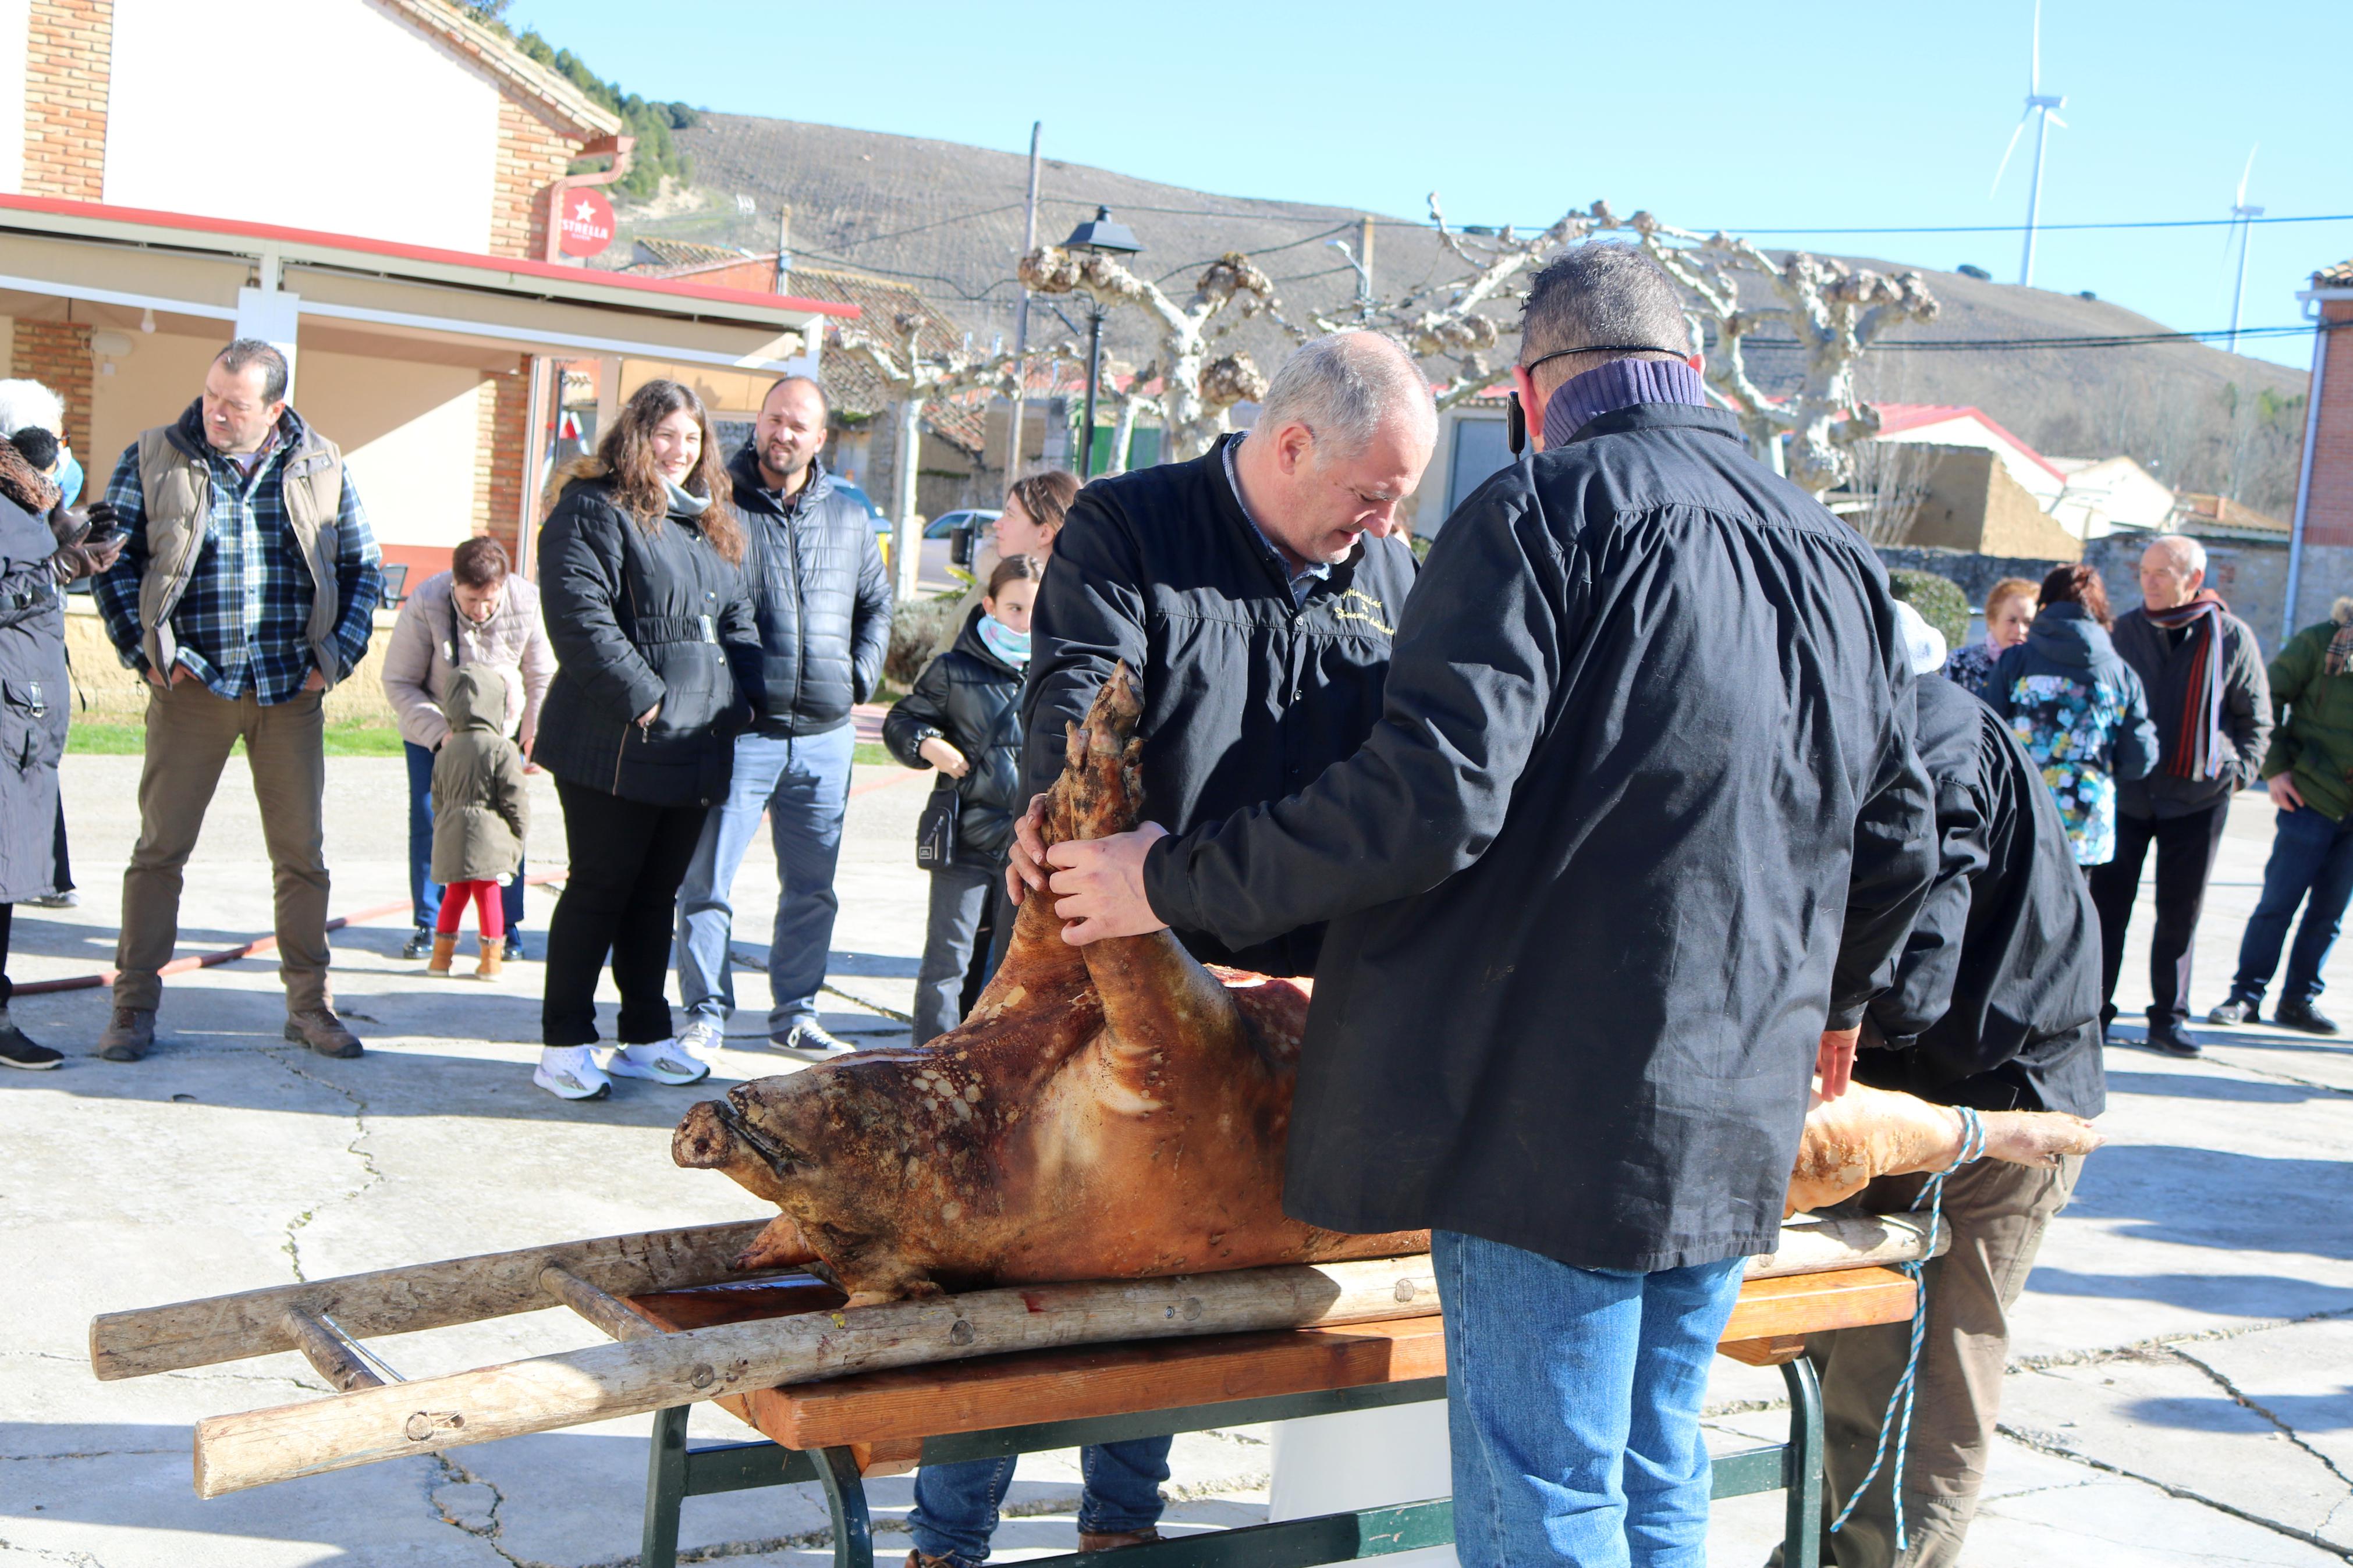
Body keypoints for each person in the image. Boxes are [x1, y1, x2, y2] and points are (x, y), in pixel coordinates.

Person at [1038, 246, 1936, 1568]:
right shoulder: (1837, 559)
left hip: (1546, 1118)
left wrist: (1162, 880)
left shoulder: (1540, 513)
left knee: (1547, 1491)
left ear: (1530, 391)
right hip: (1734, 1097)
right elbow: (1902, 835)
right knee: (1654, 1465)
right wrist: (1835, 1009)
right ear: (1692, 368)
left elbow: (1429, 803)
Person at [913, 330, 1435, 1568]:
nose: (1379, 522)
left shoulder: (1386, 574)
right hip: (1100, 959)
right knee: (1010, 1257)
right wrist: (1056, 798)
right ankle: (945, 1538)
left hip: (1279, 999)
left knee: (1172, 1270)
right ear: (1291, 443)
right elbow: (1076, 689)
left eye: (1396, 503)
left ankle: (1121, 1526)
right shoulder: (1130, 527)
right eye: (1370, 492)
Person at [1788, 603, 2104, 1568]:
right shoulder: (1862, 724)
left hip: (1987, 1110)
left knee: (1902, 1396)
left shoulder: (1928, 730)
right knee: (1839, 1374)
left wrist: (1811, 1012)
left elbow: (1915, 977)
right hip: (1908, 1098)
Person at [90, 339, 383, 1063]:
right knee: (159, 853)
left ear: (274, 409)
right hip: (192, 688)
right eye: (213, 395)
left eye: (235, 404)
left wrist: (334, 661)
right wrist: (147, 655)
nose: (216, 412)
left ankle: (309, 1006)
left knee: (301, 860)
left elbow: (363, 568)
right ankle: (132, 1007)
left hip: (290, 690)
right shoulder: (156, 453)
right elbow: (112, 562)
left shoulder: (323, 463)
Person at [533, 379, 763, 1101]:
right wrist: (647, 700)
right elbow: (579, 618)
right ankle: (564, 1044)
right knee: (601, 887)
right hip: (615, 741)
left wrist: (742, 700)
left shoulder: (709, 525)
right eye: (665, 434)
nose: (679, 449)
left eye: (691, 438)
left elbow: (740, 620)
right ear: (636, 435)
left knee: (655, 894)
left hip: (696, 742)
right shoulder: (593, 510)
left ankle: (643, 1035)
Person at [673, 376, 891, 1061]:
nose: (783, 434)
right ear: (758, 423)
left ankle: (795, 1011)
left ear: (820, 438)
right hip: (742, 734)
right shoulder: (717, 505)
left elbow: (876, 605)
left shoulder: (851, 517)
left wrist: (858, 674)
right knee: (707, 882)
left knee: (811, 888)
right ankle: (705, 1012)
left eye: (799, 425)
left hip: (826, 737)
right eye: (774, 419)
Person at [2085, 538, 2270, 1058]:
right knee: (2107, 909)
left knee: (2180, 913)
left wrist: (2236, 774)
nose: (2149, 580)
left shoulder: (2230, 635)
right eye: (2144, 571)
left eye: (2161, 572)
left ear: (2194, 577)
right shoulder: (2121, 632)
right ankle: (2093, 1012)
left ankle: (2168, 1017)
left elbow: (2255, 716)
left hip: (2197, 797)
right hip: (2128, 794)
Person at [0, 396, 121, 1070]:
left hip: (23, 725)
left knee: (10, 877)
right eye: (53, 436)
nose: (62, 450)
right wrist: (55, 570)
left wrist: (73, 546)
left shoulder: (28, 502)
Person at [886, 555, 1040, 1045]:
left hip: (1031, 849)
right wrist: (927, 743)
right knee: (946, 963)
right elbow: (901, 720)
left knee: (1015, 967)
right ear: (990, 605)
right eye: (1014, 608)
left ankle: (994, 1067)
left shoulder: (1061, 669)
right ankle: (927, 1066)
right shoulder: (954, 669)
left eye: (1035, 611)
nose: (1025, 622)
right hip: (967, 843)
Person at [382, 535, 554, 962]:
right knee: (431, 818)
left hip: (501, 734)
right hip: (436, 731)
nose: (481, 609)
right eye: (471, 599)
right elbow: (399, 680)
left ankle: (506, 926)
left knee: (505, 822)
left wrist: (533, 734)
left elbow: (541, 676)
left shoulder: (527, 601)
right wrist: (443, 735)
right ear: (454, 584)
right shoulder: (426, 601)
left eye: (489, 600)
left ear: (505, 585)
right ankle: (430, 922)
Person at [2210, 596, 2353, 1036]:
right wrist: (2275, 769)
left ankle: (2297, 1001)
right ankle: (2245, 995)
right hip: (2308, 795)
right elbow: (2263, 701)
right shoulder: (2319, 643)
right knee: (2278, 903)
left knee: (2329, 913)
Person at [1986, 566, 2158, 877]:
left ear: (2046, 603)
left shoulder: (2016, 661)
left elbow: (1985, 734)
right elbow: (2140, 759)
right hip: (2086, 821)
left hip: (2019, 813)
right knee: (2070, 918)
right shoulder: (2122, 676)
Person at [424, 667, 530, 982]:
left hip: (451, 832)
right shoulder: (501, 748)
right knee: (488, 895)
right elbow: (514, 798)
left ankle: (440, 960)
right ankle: (491, 962)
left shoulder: (445, 750)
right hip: (490, 835)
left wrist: (446, 824)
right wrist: (517, 833)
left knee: (455, 893)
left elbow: (437, 798)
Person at [1941, 575, 2038, 701]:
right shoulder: (1959, 663)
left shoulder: (2040, 670)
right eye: (2011, 621)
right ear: (1992, 620)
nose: (2019, 630)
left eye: (2028, 622)